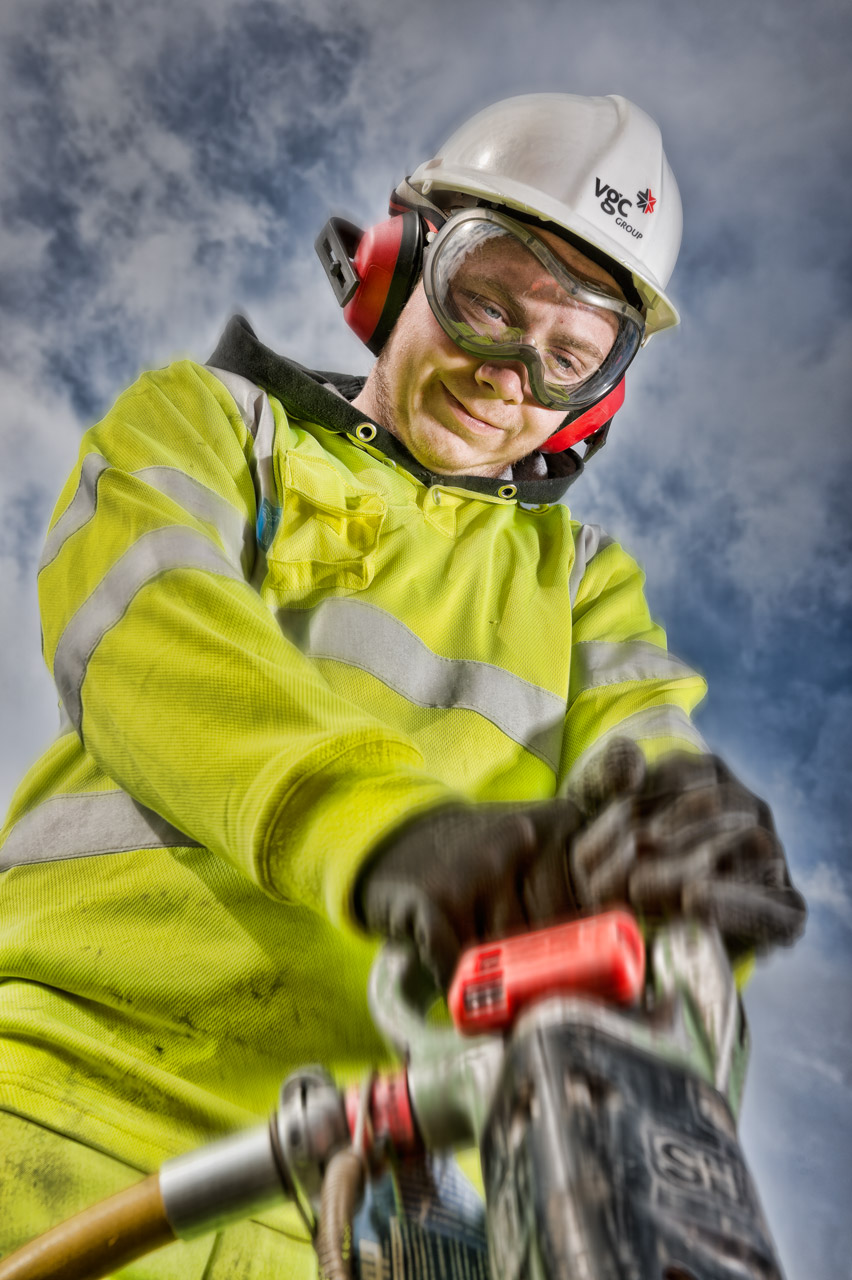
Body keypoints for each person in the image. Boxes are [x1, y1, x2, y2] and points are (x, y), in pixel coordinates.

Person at [0, 93, 805, 1275]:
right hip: (64, 1118)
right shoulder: (218, 424)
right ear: (397, 264)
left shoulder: (583, 585)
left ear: (602, 398)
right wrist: (394, 835)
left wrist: (683, 874)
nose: (511, 375)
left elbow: (649, 764)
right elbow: (145, 619)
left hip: (387, 1217)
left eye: (569, 356)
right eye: (489, 300)